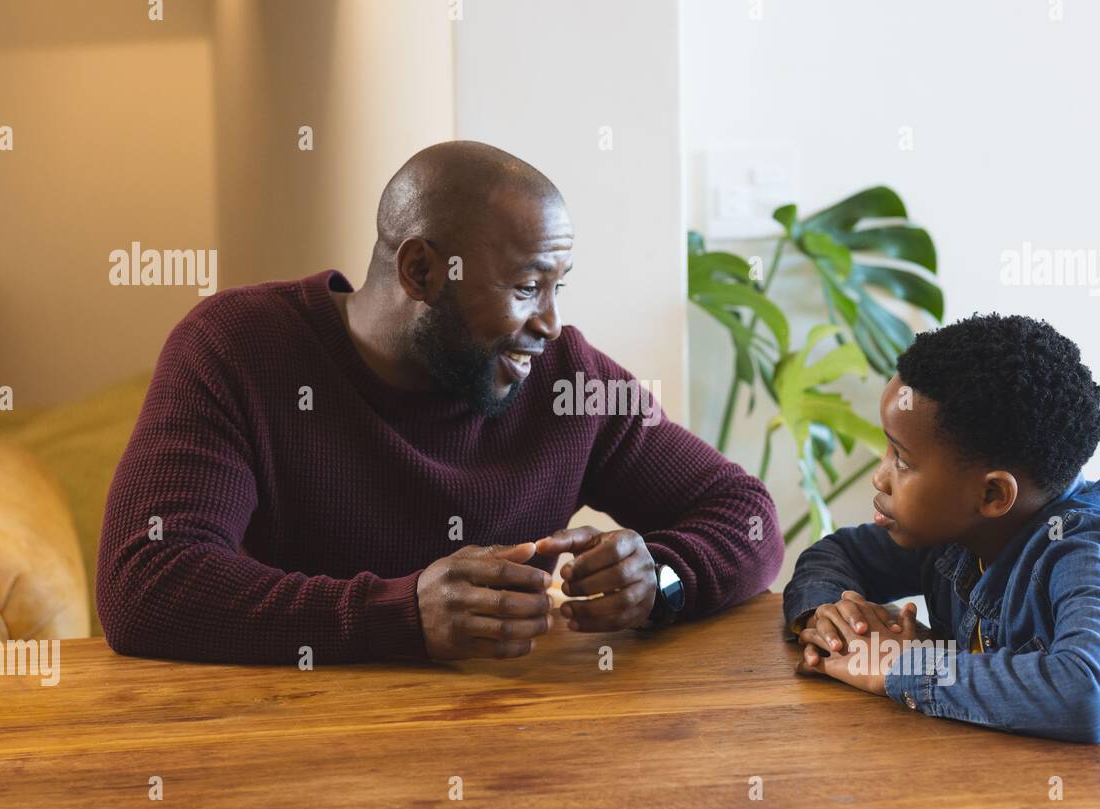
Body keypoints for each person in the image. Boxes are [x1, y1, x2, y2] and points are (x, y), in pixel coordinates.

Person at [97, 141, 783, 664]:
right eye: (525, 286)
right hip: (285, 752)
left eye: (557, 287)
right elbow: (147, 581)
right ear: (421, 270)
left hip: (509, 749)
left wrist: (662, 577)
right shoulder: (236, 349)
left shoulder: (564, 378)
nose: (549, 322)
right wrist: (404, 614)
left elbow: (746, 515)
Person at [784, 313, 1100, 809]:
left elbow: (1085, 694)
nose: (880, 476)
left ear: (992, 493)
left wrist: (903, 667)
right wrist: (833, 616)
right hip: (1019, 807)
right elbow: (837, 555)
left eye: (902, 459)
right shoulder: (953, 532)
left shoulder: (1090, 550)